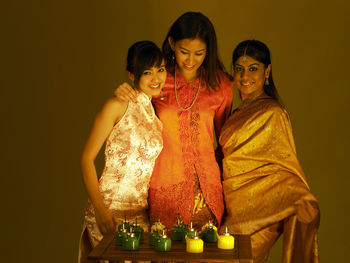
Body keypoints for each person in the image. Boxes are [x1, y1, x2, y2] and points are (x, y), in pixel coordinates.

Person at [114, 12, 233, 230]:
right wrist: (124, 91)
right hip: (165, 184)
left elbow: (226, 142)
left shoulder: (221, 85)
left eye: (199, 53)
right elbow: (136, 110)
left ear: (209, 50)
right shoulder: (159, 79)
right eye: (183, 52)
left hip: (208, 190)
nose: (190, 60)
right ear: (172, 44)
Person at [219, 40, 320, 263]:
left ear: (267, 71)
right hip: (231, 209)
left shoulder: (273, 113)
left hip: (260, 215)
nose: (245, 76)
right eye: (239, 69)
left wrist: (299, 199)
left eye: (253, 68)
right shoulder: (234, 114)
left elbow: (283, 168)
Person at [78, 41, 166, 262]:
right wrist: (100, 211)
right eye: (147, 72)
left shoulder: (155, 116)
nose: (156, 78)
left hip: (140, 215)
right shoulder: (117, 105)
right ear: (131, 74)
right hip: (108, 210)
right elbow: (86, 159)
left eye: (161, 70)